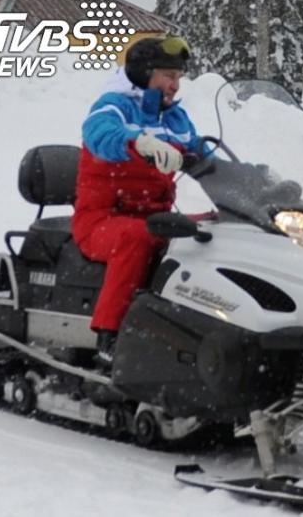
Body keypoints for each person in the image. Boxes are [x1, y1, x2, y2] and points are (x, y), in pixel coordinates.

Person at [72, 35, 201, 369]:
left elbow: (203, 151)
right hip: (100, 220)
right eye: (169, 76)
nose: (176, 85)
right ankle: (110, 335)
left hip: (156, 217)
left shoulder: (174, 117)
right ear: (146, 73)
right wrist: (137, 143)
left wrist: (249, 176)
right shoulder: (114, 104)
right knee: (136, 238)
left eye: (178, 77)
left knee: (207, 232)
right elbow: (98, 134)